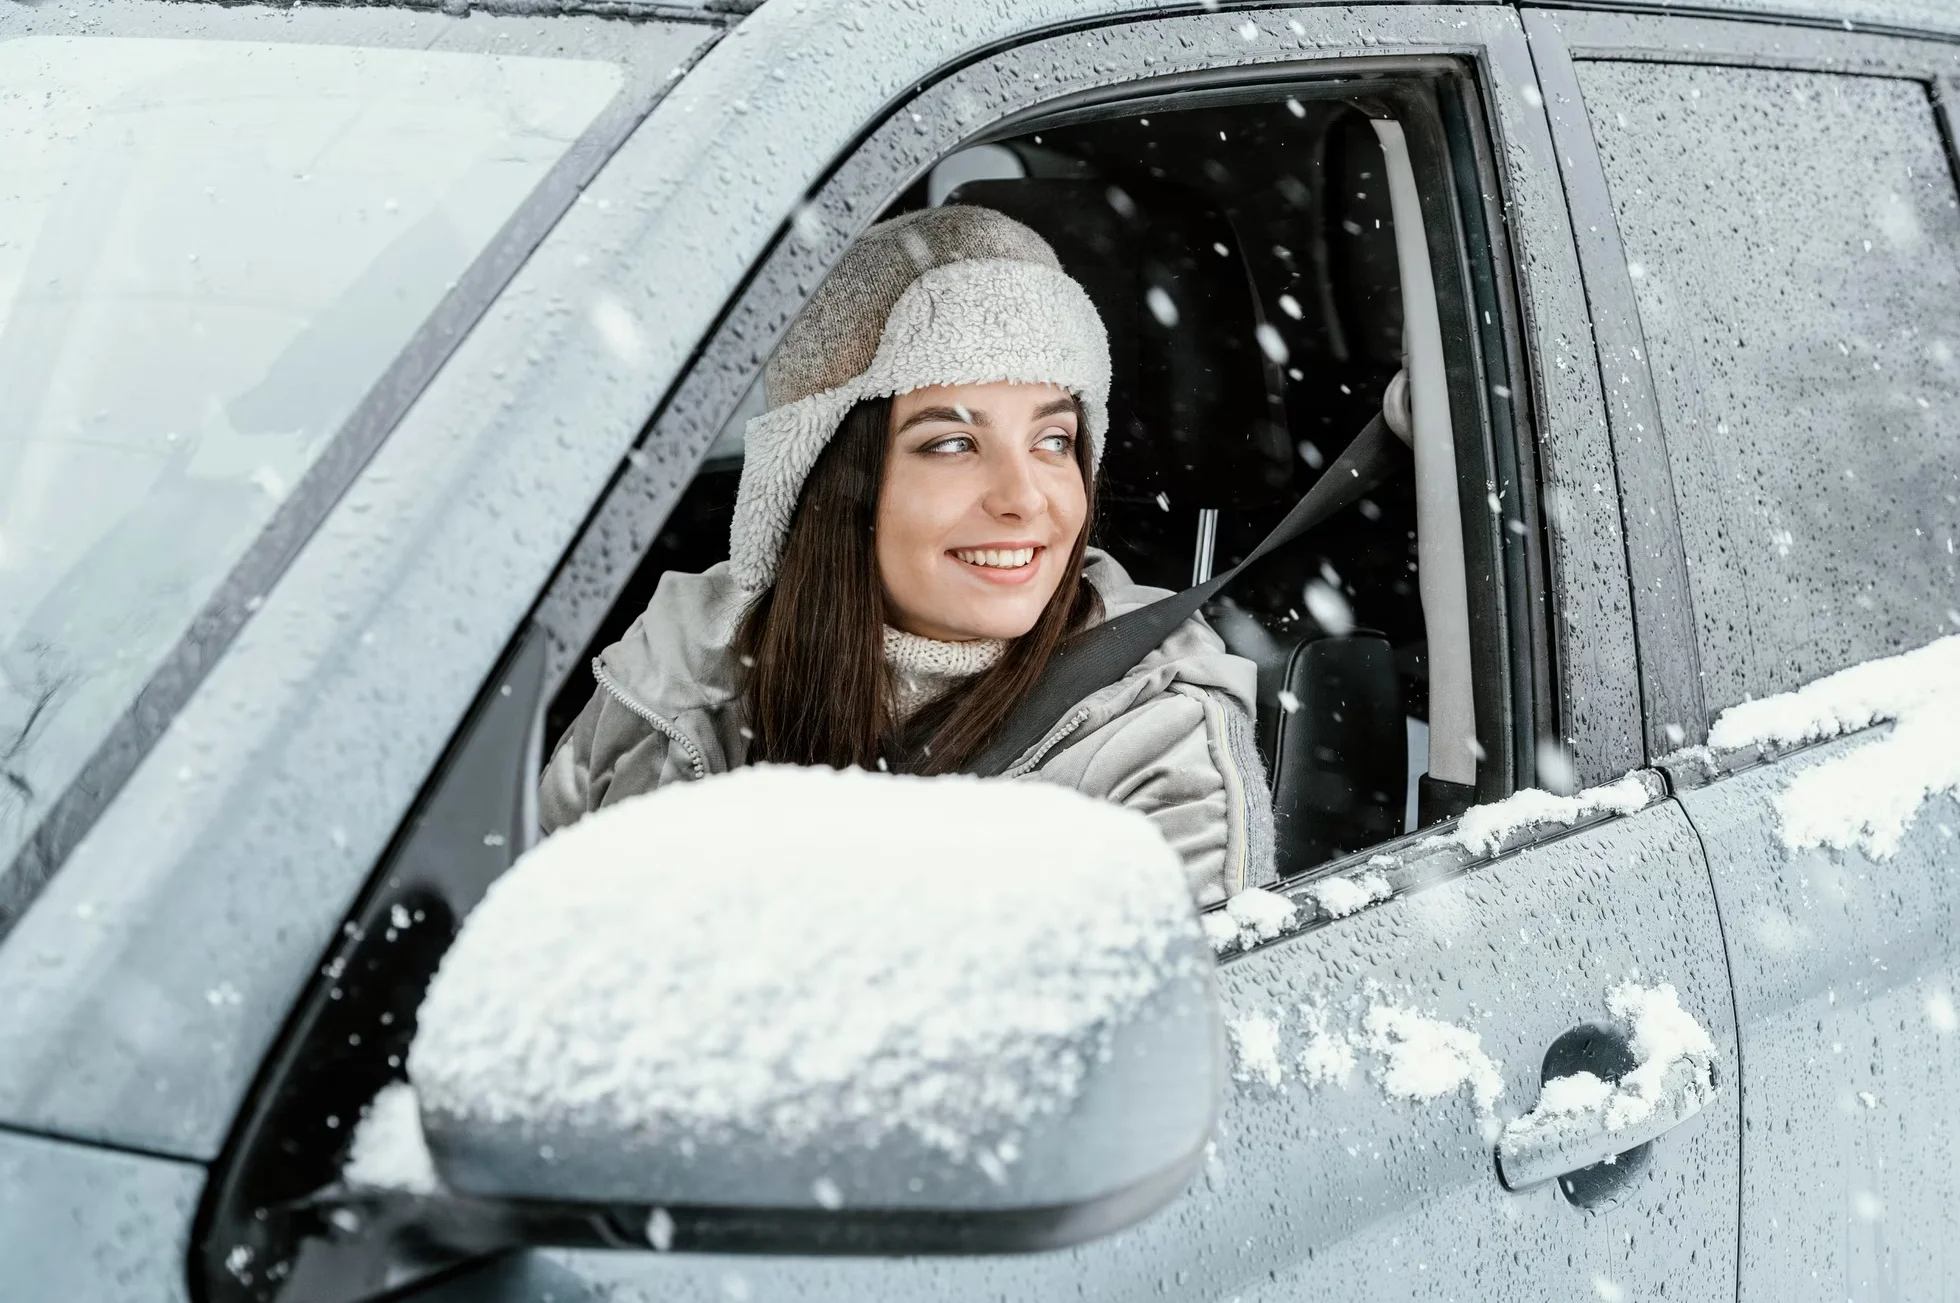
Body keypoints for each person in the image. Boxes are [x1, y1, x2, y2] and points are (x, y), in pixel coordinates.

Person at [540, 205, 1274, 903]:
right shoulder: (683, 667)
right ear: (829, 478)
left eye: (1053, 441)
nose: (1024, 498)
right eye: (953, 443)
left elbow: (1178, 1028)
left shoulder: (1156, 740)